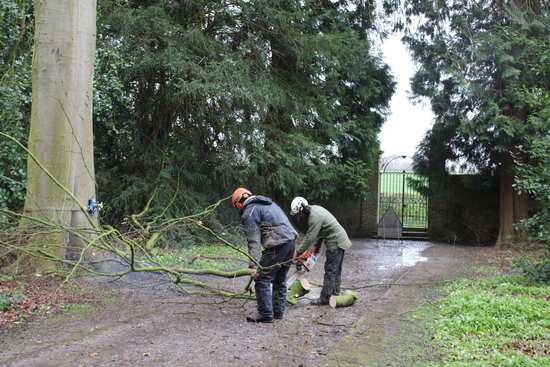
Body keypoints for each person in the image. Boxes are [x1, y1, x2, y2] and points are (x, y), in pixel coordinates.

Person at [232, 188, 298, 323]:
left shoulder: (249, 212)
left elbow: (253, 240)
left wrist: (254, 265)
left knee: (262, 278)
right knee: (280, 279)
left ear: (238, 203)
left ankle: (265, 313)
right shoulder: (270, 204)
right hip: (290, 242)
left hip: (276, 244)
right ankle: (278, 311)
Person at [290, 196, 352, 306]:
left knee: (330, 270)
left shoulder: (314, 217)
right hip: (338, 239)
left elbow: (310, 237)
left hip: (336, 241)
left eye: (299, 214)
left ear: (304, 209)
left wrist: (298, 252)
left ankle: (324, 298)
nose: (299, 216)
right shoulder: (315, 210)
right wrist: (317, 246)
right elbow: (321, 231)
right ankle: (335, 293)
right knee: (335, 270)